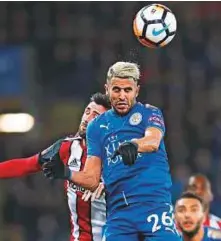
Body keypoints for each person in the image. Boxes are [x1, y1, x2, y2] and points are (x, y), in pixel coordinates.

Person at [43, 61, 181, 241]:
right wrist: (66, 172)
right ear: (107, 89)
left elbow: (153, 140)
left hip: (154, 206)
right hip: (119, 215)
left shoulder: (150, 113)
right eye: (116, 90)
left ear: (137, 91)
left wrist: (134, 145)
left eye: (128, 90)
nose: (122, 96)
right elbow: (92, 179)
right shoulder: (96, 127)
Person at [0, 92, 111, 241]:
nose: (87, 118)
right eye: (87, 111)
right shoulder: (66, 147)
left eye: (95, 115)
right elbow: (26, 164)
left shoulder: (117, 155)